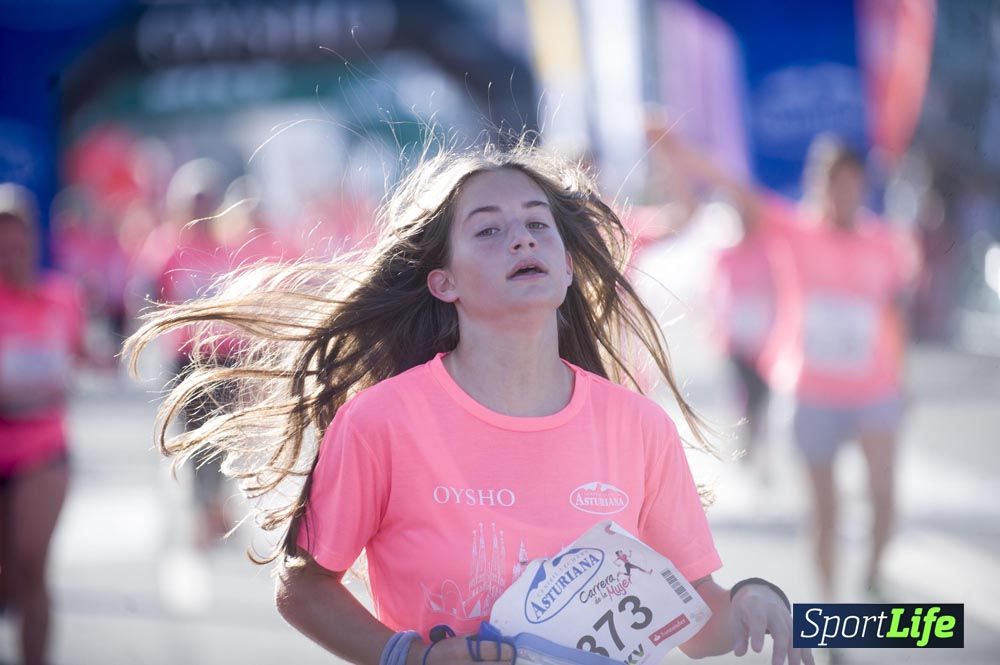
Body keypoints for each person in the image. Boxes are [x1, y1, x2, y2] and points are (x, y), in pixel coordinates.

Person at [125, 140, 814, 665]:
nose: (521, 236)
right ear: (444, 282)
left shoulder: (639, 427)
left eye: (538, 225)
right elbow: (302, 586)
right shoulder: (382, 422)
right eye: (488, 228)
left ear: (568, 268)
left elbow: (692, 620)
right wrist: (409, 656)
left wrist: (756, 600)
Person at [649, 120, 919, 603]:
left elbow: (895, 318)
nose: (841, 193)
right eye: (831, 182)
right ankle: (833, 613)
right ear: (819, 184)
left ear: (862, 185)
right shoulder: (794, 230)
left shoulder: (887, 242)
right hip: (810, 391)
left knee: (884, 500)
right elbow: (735, 187)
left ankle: (874, 571)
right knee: (826, 512)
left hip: (874, 389)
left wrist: (902, 380)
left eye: (851, 182)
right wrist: (680, 151)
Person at [0, 183, 86, 665]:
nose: (11, 256)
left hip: (42, 450)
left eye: (19, 245)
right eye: (1, 247)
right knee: (8, 579)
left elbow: (81, 356)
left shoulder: (61, 297)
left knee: (31, 565)